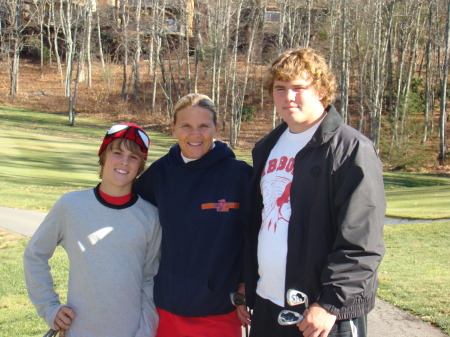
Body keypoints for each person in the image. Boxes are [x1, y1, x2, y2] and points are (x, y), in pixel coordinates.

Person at [244, 48, 386, 337]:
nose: (288, 97)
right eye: (280, 88)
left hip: (319, 314)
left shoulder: (350, 150)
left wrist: (331, 303)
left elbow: (362, 240)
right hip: (268, 302)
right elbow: (258, 223)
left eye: (299, 88)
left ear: (321, 91)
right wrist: (244, 285)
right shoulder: (267, 147)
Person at [24, 123, 162, 337]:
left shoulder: (150, 217)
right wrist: (49, 308)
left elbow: (150, 280)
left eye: (133, 157)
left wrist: (146, 331)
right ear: (104, 156)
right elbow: (35, 255)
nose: (124, 162)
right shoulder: (70, 206)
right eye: (117, 153)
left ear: (140, 166)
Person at [134, 93, 252, 337]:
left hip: (220, 311)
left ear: (217, 128)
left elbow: (256, 237)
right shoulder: (160, 174)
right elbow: (129, 217)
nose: (195, 134)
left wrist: (245, 283)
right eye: (186, 126)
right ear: (173, 128)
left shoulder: (240, 176)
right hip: (166, 308)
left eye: (203, 126)